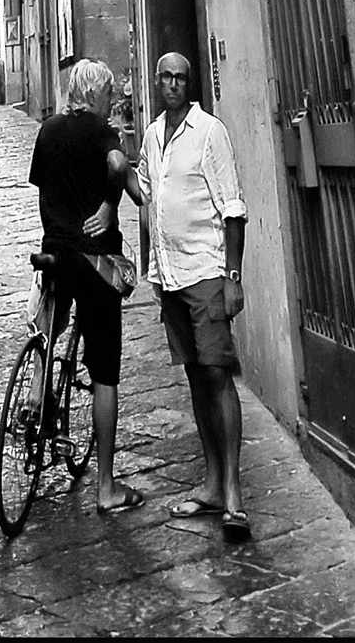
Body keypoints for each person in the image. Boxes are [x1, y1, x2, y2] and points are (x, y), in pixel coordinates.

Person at [137, 52, 250, 540]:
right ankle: (209, 484)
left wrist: (233, 275)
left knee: (218, 374)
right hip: (169, 275)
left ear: (190, 83)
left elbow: (233, 208)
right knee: (195, 377)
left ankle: (234, 495)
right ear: (157, 81)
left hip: (205, 270)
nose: (173, 84)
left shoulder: (210, 132)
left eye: (181, 77)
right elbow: (144, 193)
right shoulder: (151, 134)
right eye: (166, 76)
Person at [27, 58, 145, 516]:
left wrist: (58, 233)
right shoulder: (101, 131)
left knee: (46, 325)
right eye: (110, 94)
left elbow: (43, 195)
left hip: (55, 250)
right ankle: (107, 489)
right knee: (104, 374)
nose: (113, 102)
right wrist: (110, 201)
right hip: (94, 261)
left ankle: (36, 392)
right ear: (96, 96)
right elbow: (117, 164)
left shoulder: (49, 130)